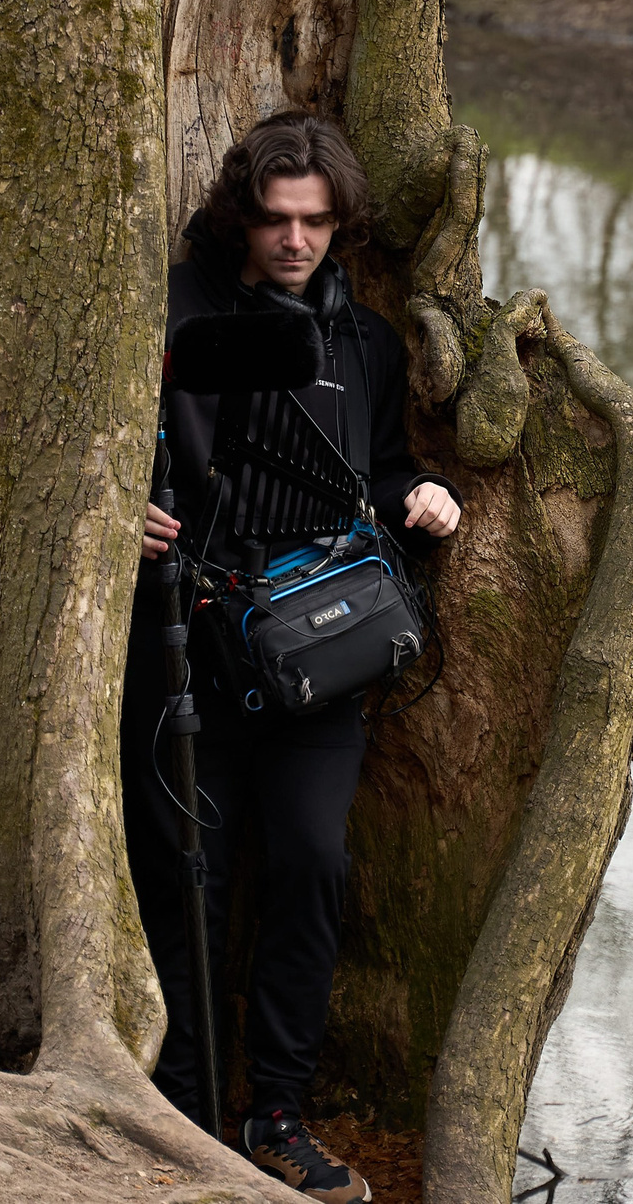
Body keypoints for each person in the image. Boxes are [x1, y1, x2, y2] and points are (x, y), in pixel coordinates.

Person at [122, 112, 460, 1204]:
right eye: (274, 218)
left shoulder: (363, 340)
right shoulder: (176, 311)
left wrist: (423, 495)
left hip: (321, 652)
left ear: (339, 224)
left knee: (312, 866)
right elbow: (102, 443)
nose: (294, 240)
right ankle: (177, 1113)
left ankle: (277, 1115)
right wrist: (120, 509)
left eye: (315, 220)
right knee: (189, 881)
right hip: (185, 647)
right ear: (241, 216)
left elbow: (389, 465)